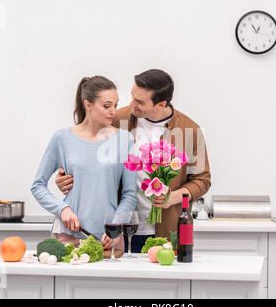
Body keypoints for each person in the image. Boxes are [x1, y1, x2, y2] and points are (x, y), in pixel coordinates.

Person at [55, 69, 211, 252]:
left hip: (166, 232)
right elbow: (88, 157)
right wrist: (67, 179)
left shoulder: (190, 130)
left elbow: (203, 180)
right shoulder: (116, 120)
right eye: (132, 96)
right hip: (118, 231)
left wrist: (173, 197)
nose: (132, 104)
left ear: (160, 104)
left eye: (140, 102)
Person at [31, 76, 137, 253]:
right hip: (69, 235)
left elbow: (129, 194)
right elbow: (37, 186)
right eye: (106, 106)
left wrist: (117, 224)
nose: (113, 111)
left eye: (115, 105)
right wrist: (62, 209)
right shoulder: (62, 138)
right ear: (88, 105)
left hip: (110, 238)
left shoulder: (124, 140)